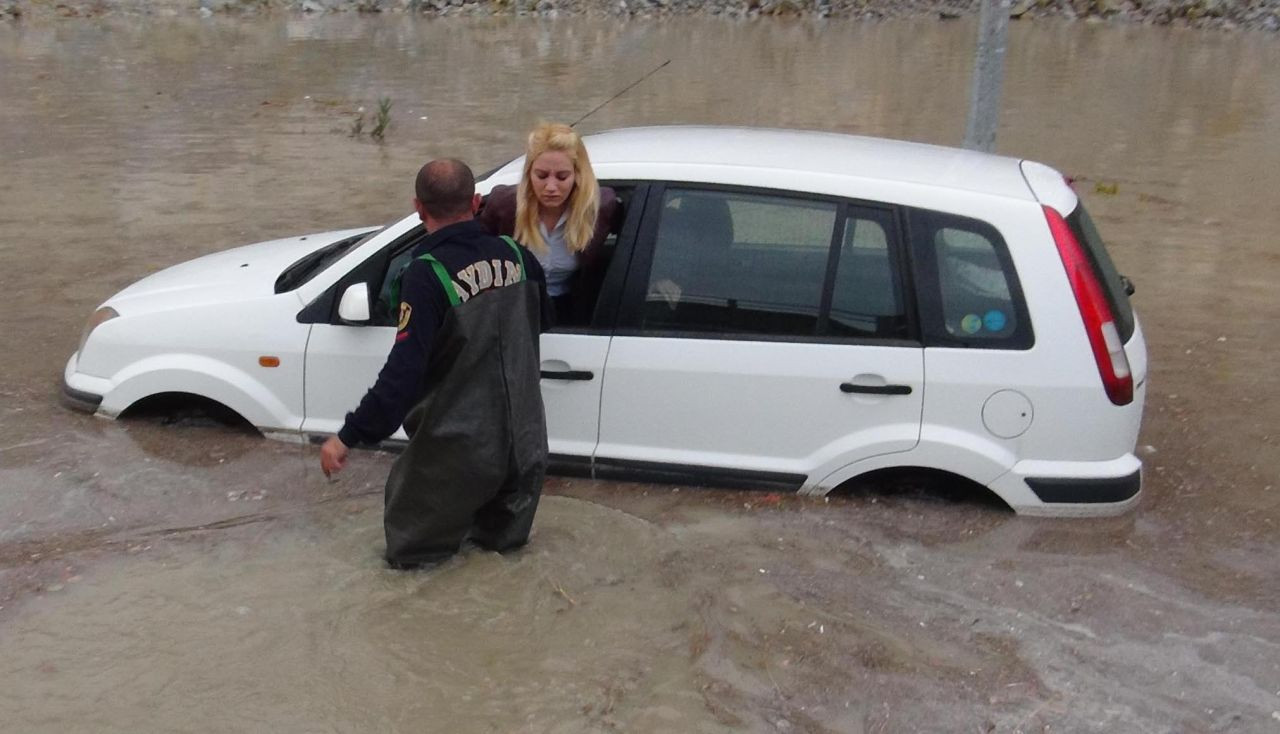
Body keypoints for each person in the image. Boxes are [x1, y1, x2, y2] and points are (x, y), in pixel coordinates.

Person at [319, 158, 550, 570]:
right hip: (526, 448)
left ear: (418, 208)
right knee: (501, 565)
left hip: (456, 455)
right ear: (476, 202)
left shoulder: (425, 275)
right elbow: (540, 323)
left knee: (413, 572)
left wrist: (347, 437)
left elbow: (402, 375)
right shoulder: (519, 256)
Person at [478, 122, 620, 326]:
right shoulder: (504, 206)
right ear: (529, 173)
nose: (551, 187)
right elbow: (477, 256)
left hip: (569, 313)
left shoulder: (602, 208)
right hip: (510, 313)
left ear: (578, 175)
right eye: (541, 176)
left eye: (562, 177)